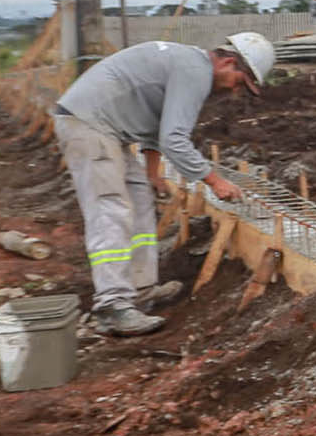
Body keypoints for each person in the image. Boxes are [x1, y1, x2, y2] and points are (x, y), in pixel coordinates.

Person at [50, 33, 275, 336]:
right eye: (239, 80)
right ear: (228, 62)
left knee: (140, 199)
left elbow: (155, 126)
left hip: (107, 129)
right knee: (110, 209)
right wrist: (213, 180)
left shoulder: (187, 66)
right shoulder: (195, 72)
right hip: (88, 124)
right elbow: (174, 138)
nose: (235, 90)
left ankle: (139, 290)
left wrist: (153, 173)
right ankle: (112, 306)